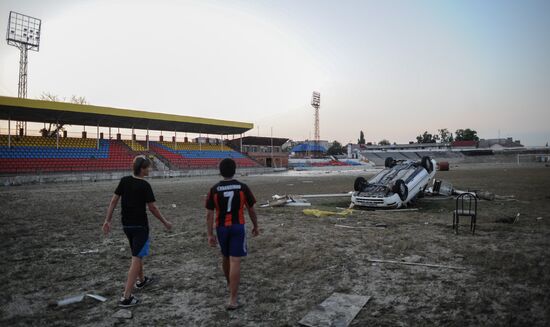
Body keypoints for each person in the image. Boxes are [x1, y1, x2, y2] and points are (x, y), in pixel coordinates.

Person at [102, 155, 172, 307]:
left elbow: (114, 201)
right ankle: (126, 297)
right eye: (148, 167)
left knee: (137, 253)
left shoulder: (124, 180)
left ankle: (142, 281)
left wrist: (107, 220)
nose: (150, 169)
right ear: (142, 169)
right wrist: (165, 222)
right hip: (140, 226)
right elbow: (153, 208)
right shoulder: (144, 185)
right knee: (136, 258)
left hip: (126, 225)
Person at [205, 158, 260, 310]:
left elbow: (209, 215)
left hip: (221, 228)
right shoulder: (242, 187)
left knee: (225, 256)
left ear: (220, 171)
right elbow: (251, 209)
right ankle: (233, 299)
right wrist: (256, 226)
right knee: (235, 260)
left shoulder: (214, 189)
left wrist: (210, 234)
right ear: (234, 170)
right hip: (237, 227)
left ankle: (230, 283)